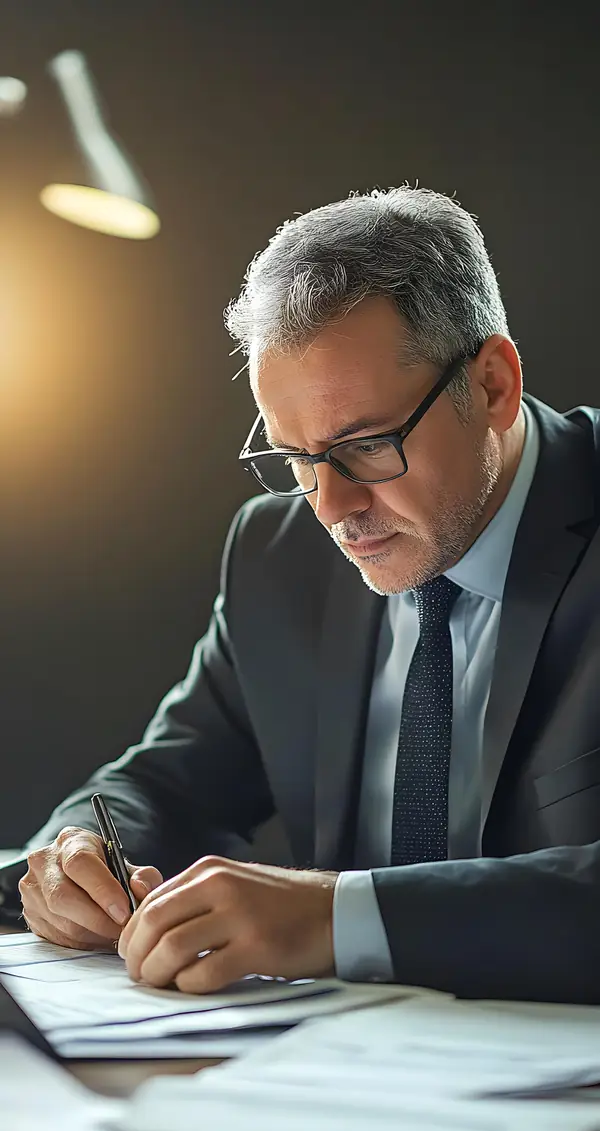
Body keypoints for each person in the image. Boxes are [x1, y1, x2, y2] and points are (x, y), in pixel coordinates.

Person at [1, 186, 599, 1002]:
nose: (330, 507)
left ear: (492, 384)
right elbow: (166, 782)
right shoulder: (277, 554)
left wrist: (335, 918)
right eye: (293, 456)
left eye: (365, 445)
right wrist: (77, 852)